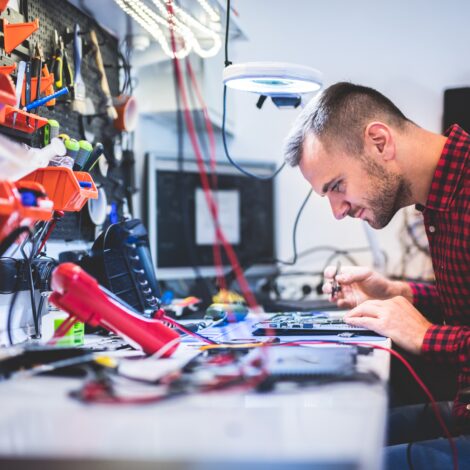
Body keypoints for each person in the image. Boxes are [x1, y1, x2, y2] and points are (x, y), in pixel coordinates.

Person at [283, 82, 470, 469]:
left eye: (337, 186)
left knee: (338, 462)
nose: (337, 210)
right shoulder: (441, 202)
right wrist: (396, 292)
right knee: (340, 434)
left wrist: (425, 335)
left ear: (380, 143)